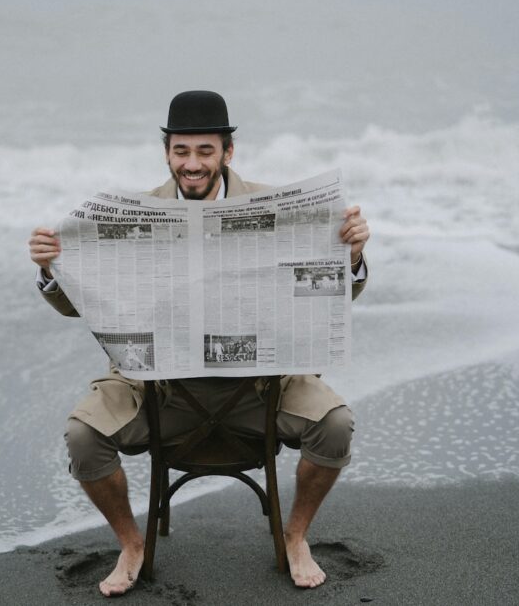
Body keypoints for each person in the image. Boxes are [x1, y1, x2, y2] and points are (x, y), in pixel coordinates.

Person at [29, 90, 370, 597]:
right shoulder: (130, 214)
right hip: (159, 390)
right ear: (167, 151)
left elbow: (337, 294)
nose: (192, 164)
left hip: (261, 386)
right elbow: (79, 306)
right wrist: (49, 268)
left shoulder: (278, 206)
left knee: (336, 425)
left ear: (227, 153)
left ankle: (295, 534)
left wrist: (352, 258)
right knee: (83, 437)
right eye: (182, 151)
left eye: (205, 151)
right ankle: (131, 544)